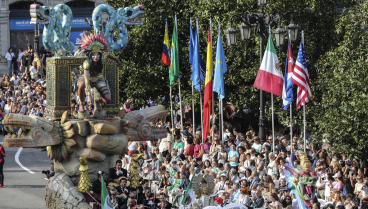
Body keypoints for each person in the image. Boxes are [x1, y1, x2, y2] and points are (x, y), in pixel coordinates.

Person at [76, 32, 121, 119]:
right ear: (90, 55)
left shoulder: (102, 58)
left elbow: (108, 54)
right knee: (81, 86)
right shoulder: (86, 63)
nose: (96, 57)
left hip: (98, 79)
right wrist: (88, 95)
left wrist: (117, 60)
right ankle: (81, 104)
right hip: (87, 79)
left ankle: (97, 101)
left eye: (97, 55)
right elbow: (86, 79)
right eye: (93, 54)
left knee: (108, 99)